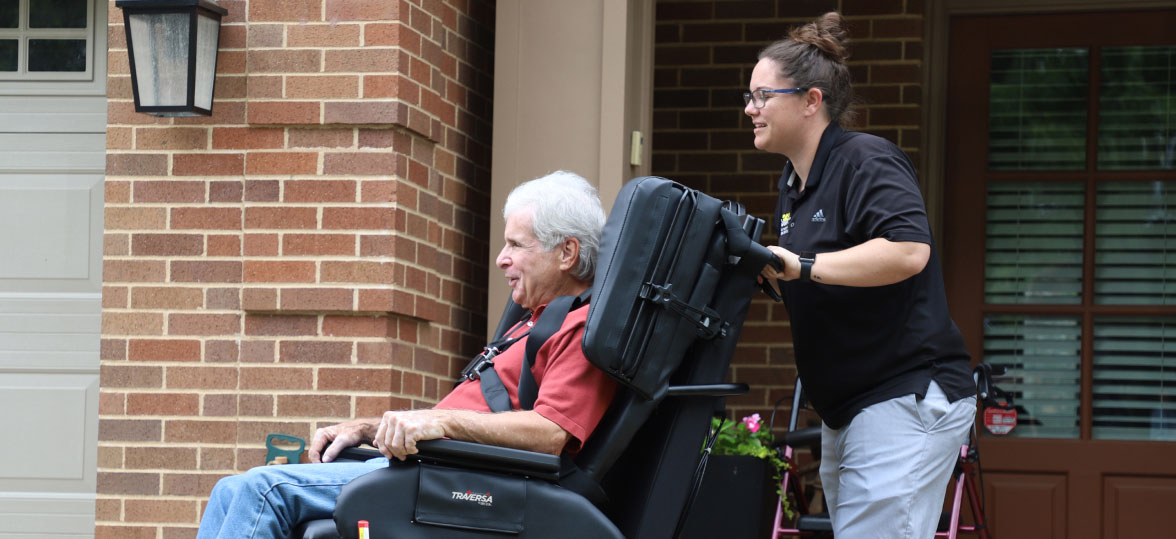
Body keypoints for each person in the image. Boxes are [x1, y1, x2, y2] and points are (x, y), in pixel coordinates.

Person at [196, 170, 617, 538]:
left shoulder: (581, 330)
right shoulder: (531, 322)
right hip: (436, 466)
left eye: (516, 245)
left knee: (262, 490)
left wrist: (442, 420)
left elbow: (550, 434)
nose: (501, 259)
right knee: (230, 489)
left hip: (467, 484)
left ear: (567, 253)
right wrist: (367, 429)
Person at [748, 12, 977, 539]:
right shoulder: (794, 184)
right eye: (750, 96)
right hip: (847, 406)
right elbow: (826, 278)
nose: (750, 109)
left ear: (811, 100)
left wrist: (801, 264)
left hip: (904, 394)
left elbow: (907, 251)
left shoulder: (867, 160)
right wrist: (765, 268)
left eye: (763, 96)